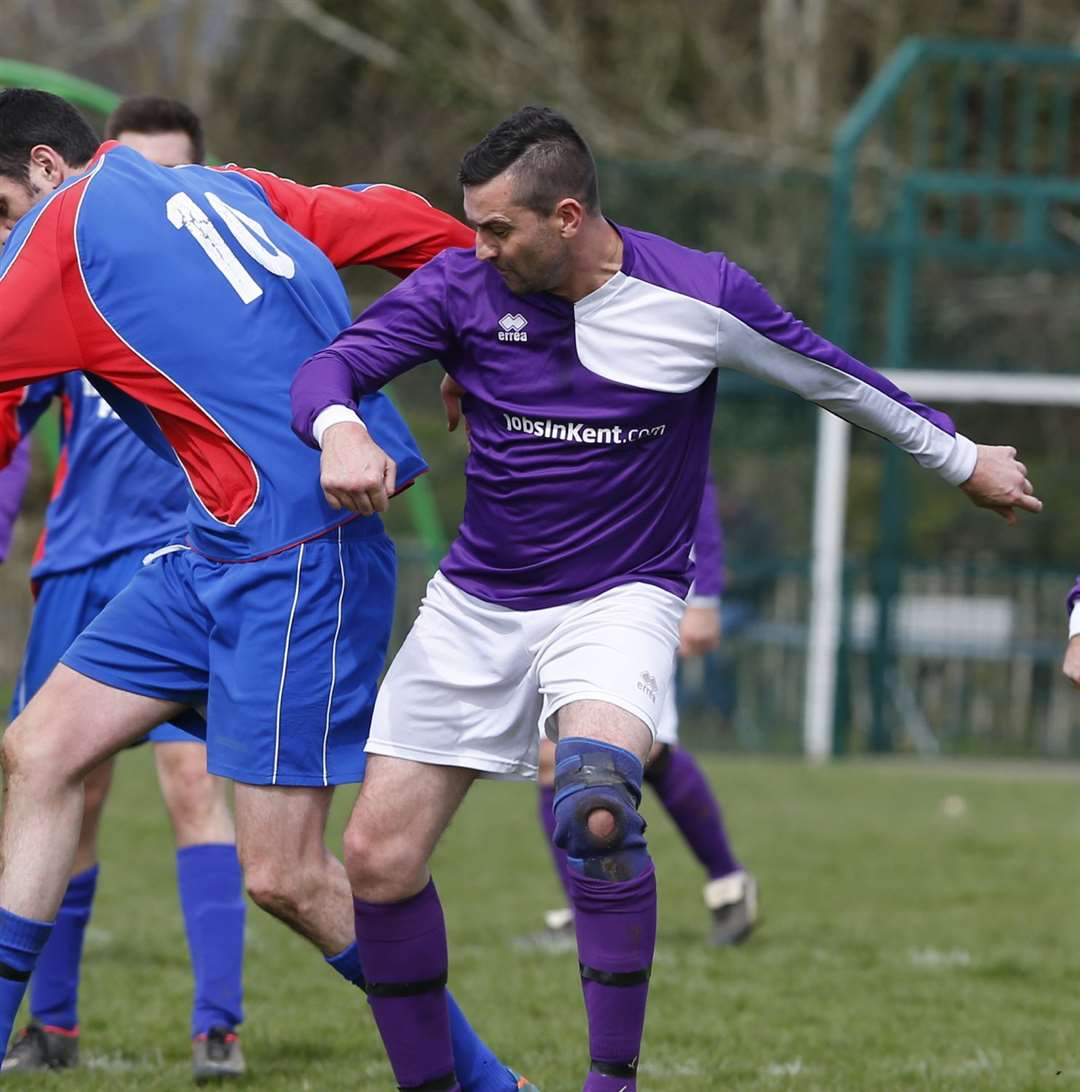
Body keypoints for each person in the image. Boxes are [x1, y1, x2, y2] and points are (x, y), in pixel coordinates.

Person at [289, 106, 1039, 1091]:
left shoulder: (698, 291)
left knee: (595, 804)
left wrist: (962, 458)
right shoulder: (460, 288)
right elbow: (329, 366)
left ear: (566, 215)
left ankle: (612, 1082)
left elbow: (835, 379)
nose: (476, 246)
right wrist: (341, 427)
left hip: (620, 597)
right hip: (477, 602)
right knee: (378, 861)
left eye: (496, 227)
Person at [0, 89, 533, 1092]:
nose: (3, 242)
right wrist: (474, 344)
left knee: (286, 873)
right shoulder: (222, 187)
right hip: (218, 547)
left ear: (41, 168)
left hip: (298, 553)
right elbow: (405, 225)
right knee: (39, 749)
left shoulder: (58, 230)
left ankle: (489, 1084)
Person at [0, 94, 249, 1080]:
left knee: (194, 783)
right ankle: (48, 1024)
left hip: (187, 556)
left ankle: (217, 1027)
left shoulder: (221, 282)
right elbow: (15, 415)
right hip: (76, 562)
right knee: (63, 780)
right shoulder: (59, 273)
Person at [528, 474, 758, 948]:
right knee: (554, 759)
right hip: (571, 584)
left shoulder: (654, 402)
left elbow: (696, 487)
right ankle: (585, 906)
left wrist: (707, 593)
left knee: (644, 748)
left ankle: (728, 882)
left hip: (646, 589)